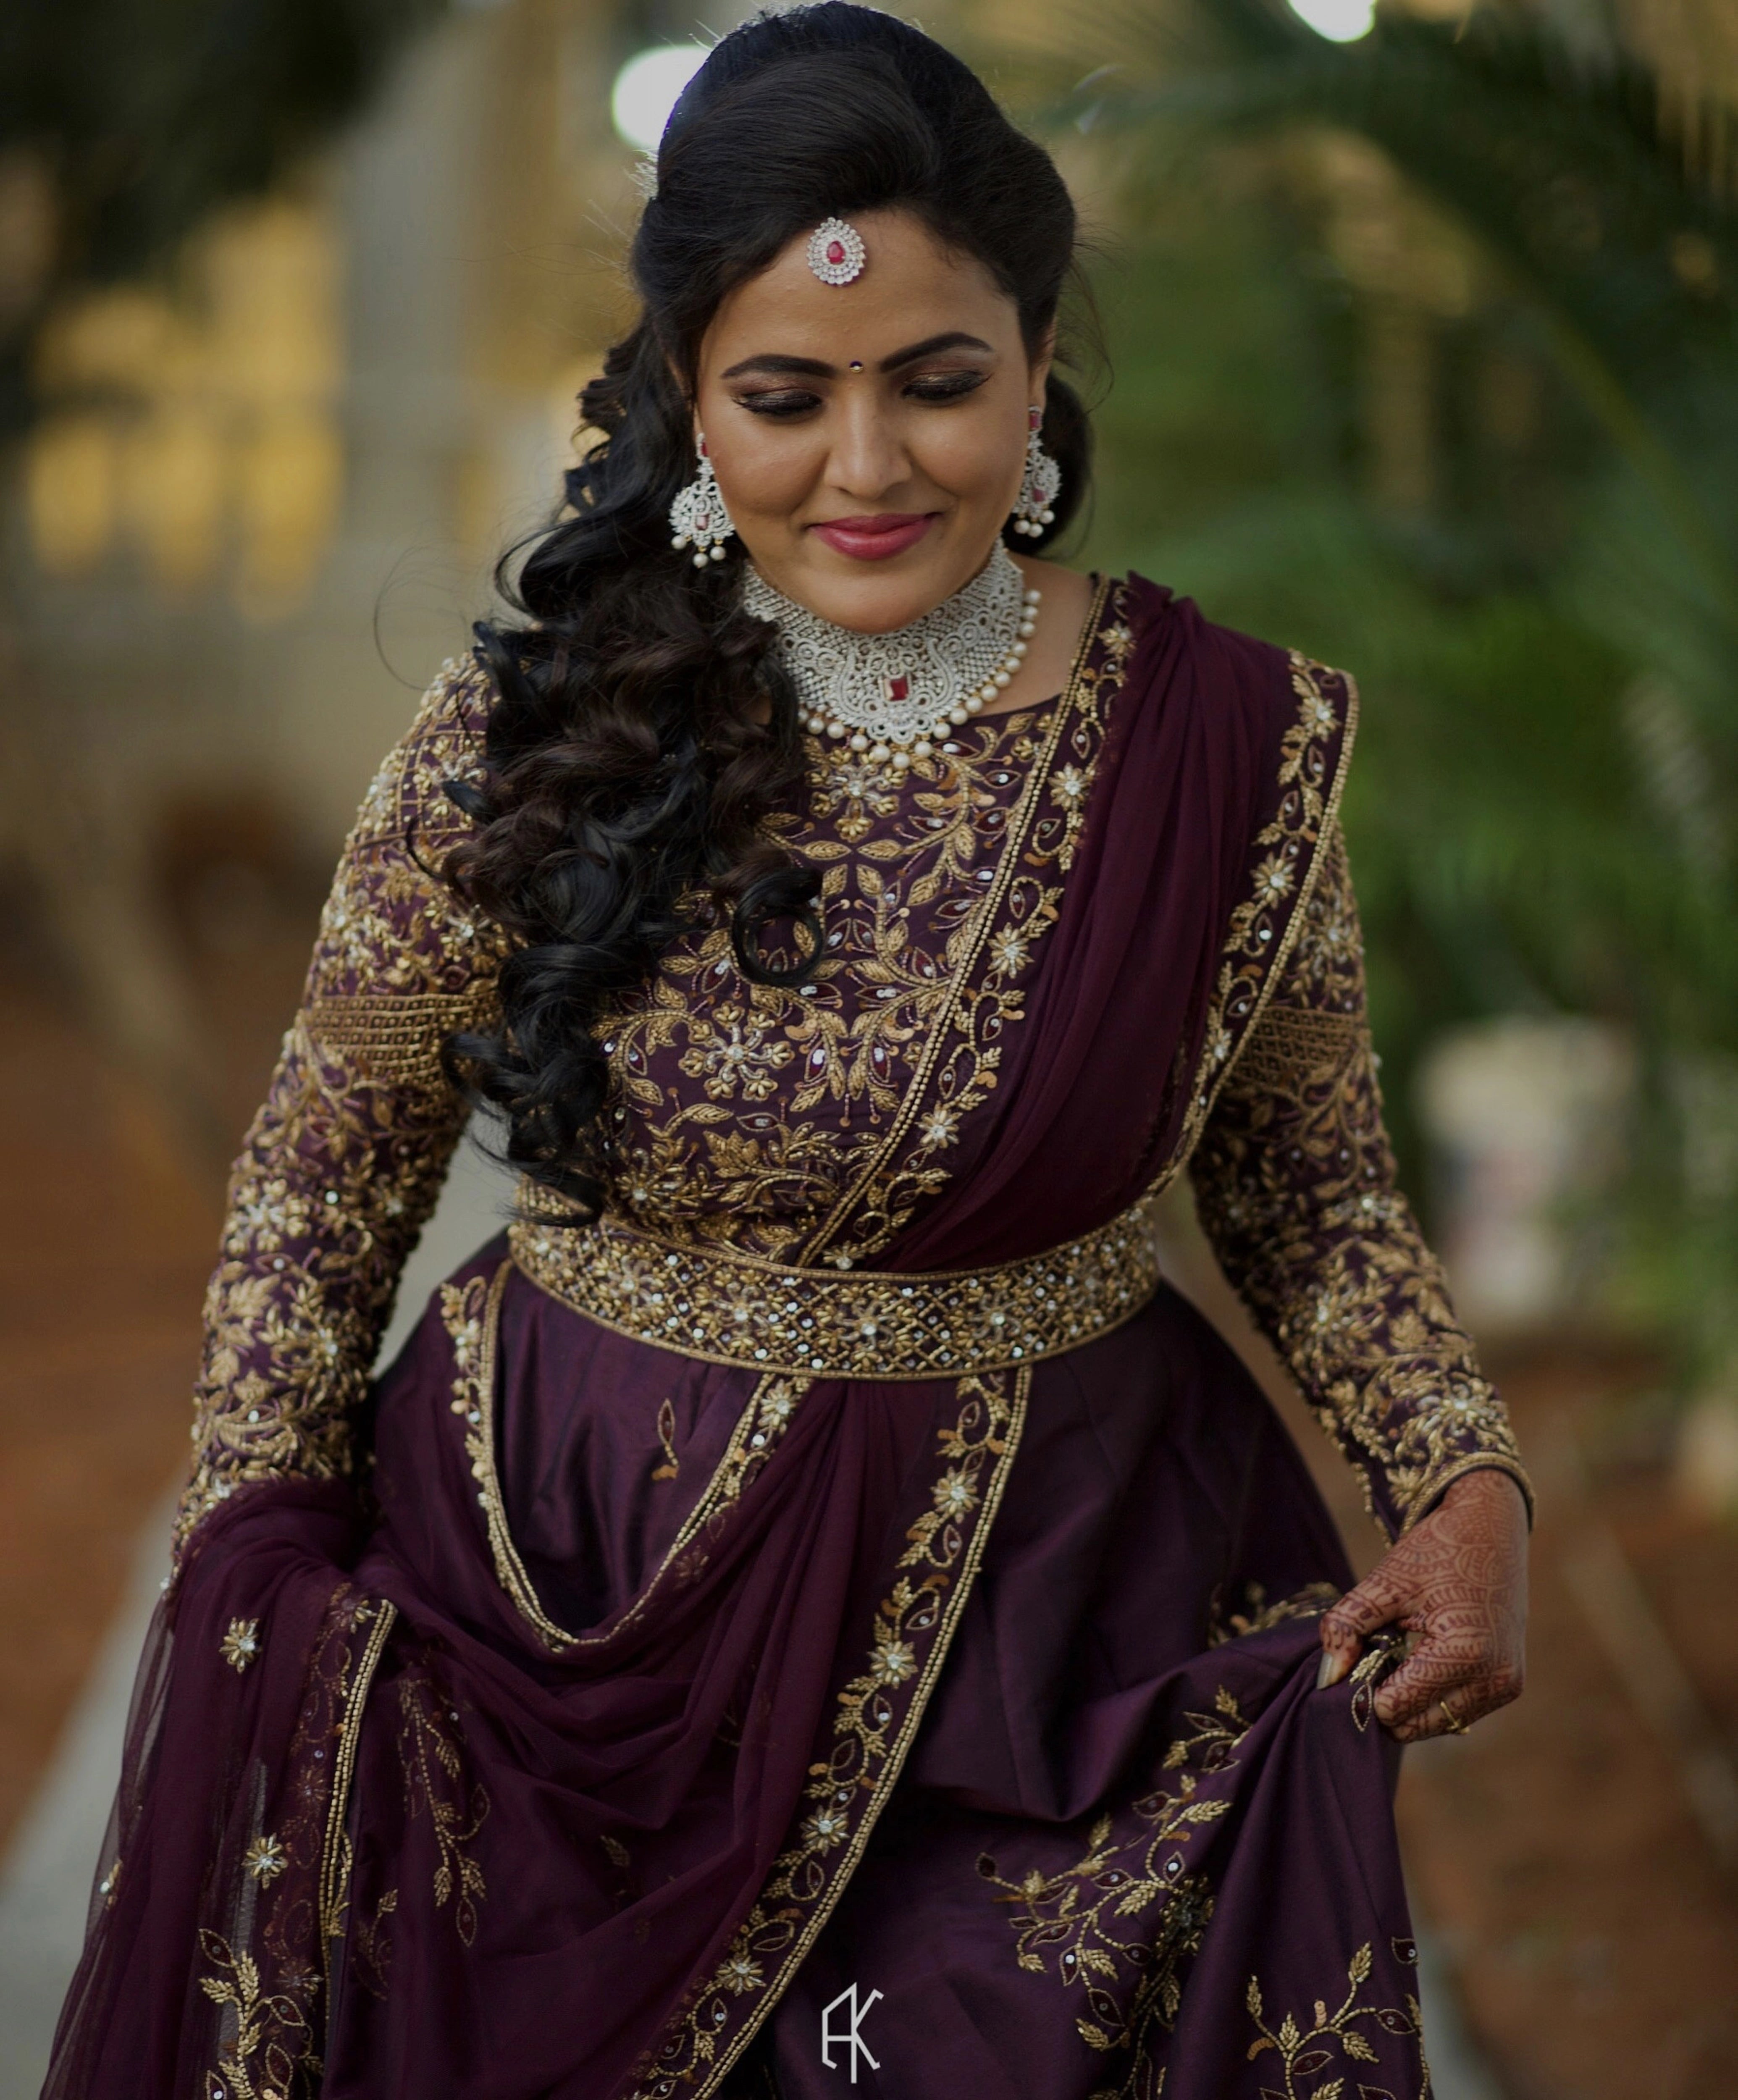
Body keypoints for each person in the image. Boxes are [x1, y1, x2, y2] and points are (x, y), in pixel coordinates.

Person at [47, 8, 1530, 2096]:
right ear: (682, 396)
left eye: (939, 383)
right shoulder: (543, 730)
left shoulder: (1223, 743)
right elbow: (327, 1163)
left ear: (1036, 379)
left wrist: (1461, 1476)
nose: (868, 466)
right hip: (561, 1623)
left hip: (1054, 1627)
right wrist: (262, 1575)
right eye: (784, 395)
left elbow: (1310, 1183)